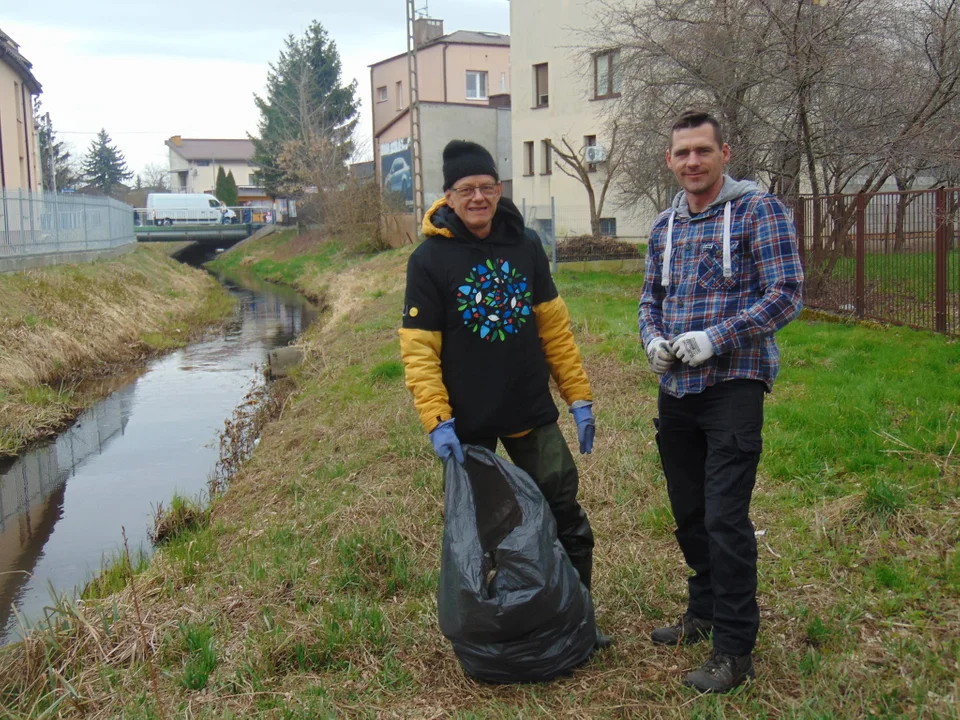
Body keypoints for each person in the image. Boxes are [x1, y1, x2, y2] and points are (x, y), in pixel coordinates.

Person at [400, 140, 608, 648]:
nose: (478, 198)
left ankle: (575, 620)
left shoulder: (526, 245)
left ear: (499, 190)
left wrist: (577, 396)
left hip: (529, 409)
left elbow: (554, 330)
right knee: (485, 532)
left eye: (487, 187)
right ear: (448, 197)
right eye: (466, 189)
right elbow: (419, 350)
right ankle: (498, 630)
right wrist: (437, 419)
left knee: (565, 514)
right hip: (467, 423)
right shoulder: (428, 260)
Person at [638, 111, 804, 692]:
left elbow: (786, 294)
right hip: (676, 388)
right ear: (670, 159)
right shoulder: (664, 227)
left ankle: (735, 650)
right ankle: (703, 611)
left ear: (724, 152)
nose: (692, 162)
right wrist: (653, 341)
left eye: (702, 151)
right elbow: (648, 301)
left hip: (735, 384)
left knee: (725, 518)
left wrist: (717, 339)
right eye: (682, 152)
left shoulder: (760, 211)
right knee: (689, 512)